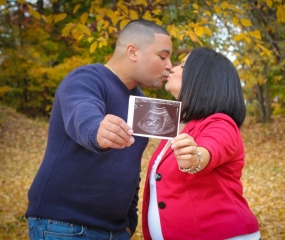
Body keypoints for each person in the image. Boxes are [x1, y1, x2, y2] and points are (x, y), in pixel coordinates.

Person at [25, 19, 172, 240]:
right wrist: (97, 129)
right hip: (66, 227)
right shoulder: (86, 78)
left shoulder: (144, 104)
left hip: (117, 231)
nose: (169, 65)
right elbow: (82, 111)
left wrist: (129, 222)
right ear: (133, 52)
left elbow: (132, 167)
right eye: (163, 56)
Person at [142, 47, 261, 240]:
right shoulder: (176, 124)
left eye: (182, 65)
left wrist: (196, 157)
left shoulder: (221, 123)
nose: (172, 68)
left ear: (203, 79)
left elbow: (210, 149)